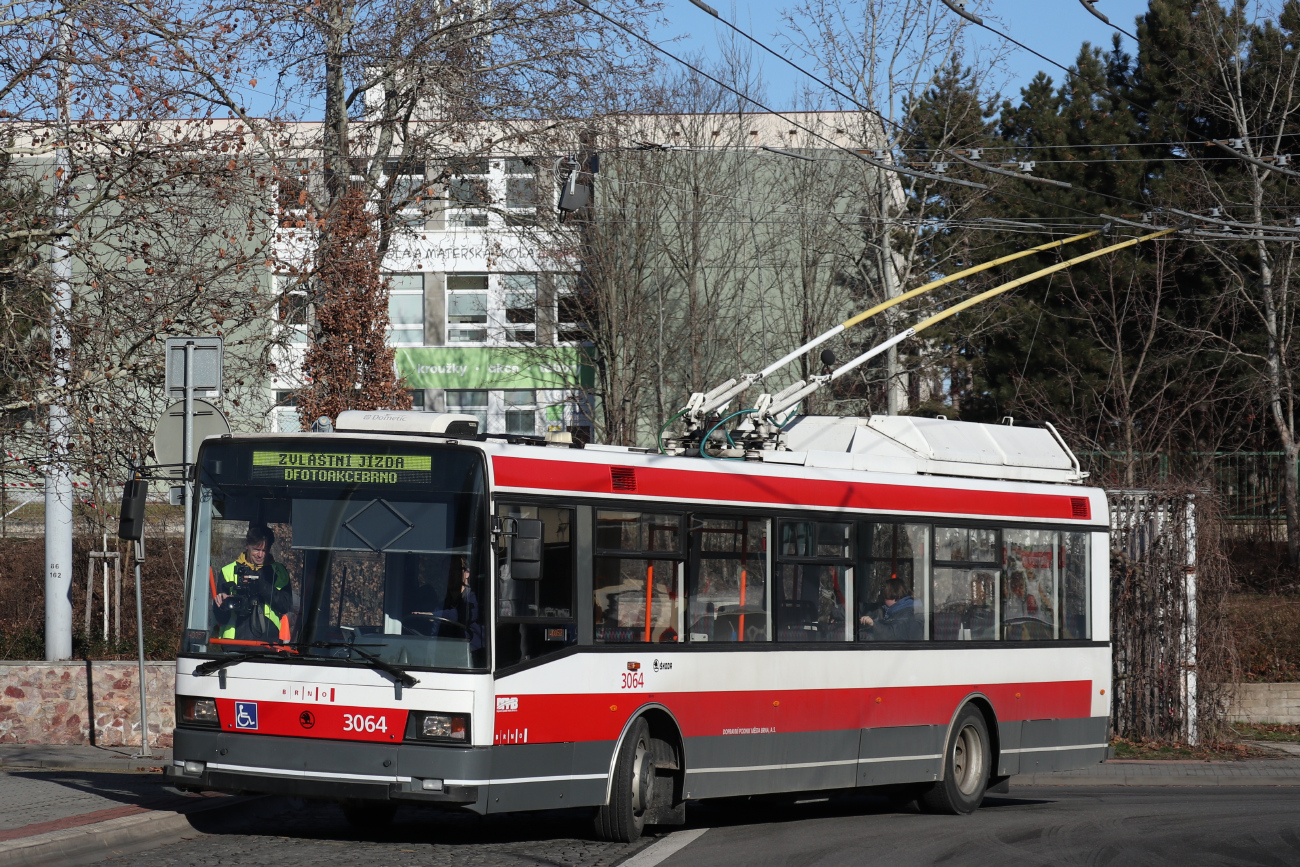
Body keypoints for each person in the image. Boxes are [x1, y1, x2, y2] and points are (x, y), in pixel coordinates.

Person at [212, 525, 292, 643]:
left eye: (264, 550)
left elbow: (285, 606)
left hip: (268, 644)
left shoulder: (279, 572)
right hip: (233, 644)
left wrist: (262, 586)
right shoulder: (228, 571)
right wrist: (222, 605)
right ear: (247, 545)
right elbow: (221, 618)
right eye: (256, 549)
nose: (260, 555)